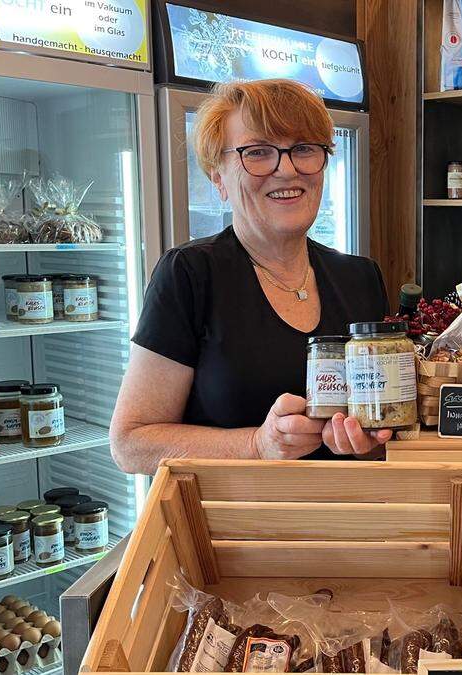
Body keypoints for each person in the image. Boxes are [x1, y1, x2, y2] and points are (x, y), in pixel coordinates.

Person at [110, 79, 390, 474]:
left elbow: (385, 429)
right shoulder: (190, 274)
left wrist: (369, 443)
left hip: (345, 524)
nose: (287, 168)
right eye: (257, 153)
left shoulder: (360, 278)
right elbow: (130, 443)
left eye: (305, 149)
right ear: (218, 177)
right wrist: (257, 444)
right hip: (226, 532)